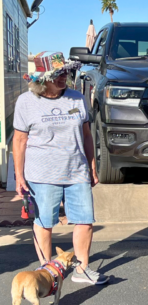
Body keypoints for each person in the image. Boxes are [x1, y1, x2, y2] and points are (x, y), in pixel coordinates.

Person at [13, 51, 108, 285]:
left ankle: (81, 269)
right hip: (42, 174)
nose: (63, 76)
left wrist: (92, 166)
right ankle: (47, 270)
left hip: (77, 171)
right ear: (42, 78)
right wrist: (19, 176)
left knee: (85, 220)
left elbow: (86, 135)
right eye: (57, 73)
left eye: (65, 71)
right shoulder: (26, 102)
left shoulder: (77, 99)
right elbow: (19, 141)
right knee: (45, 222)